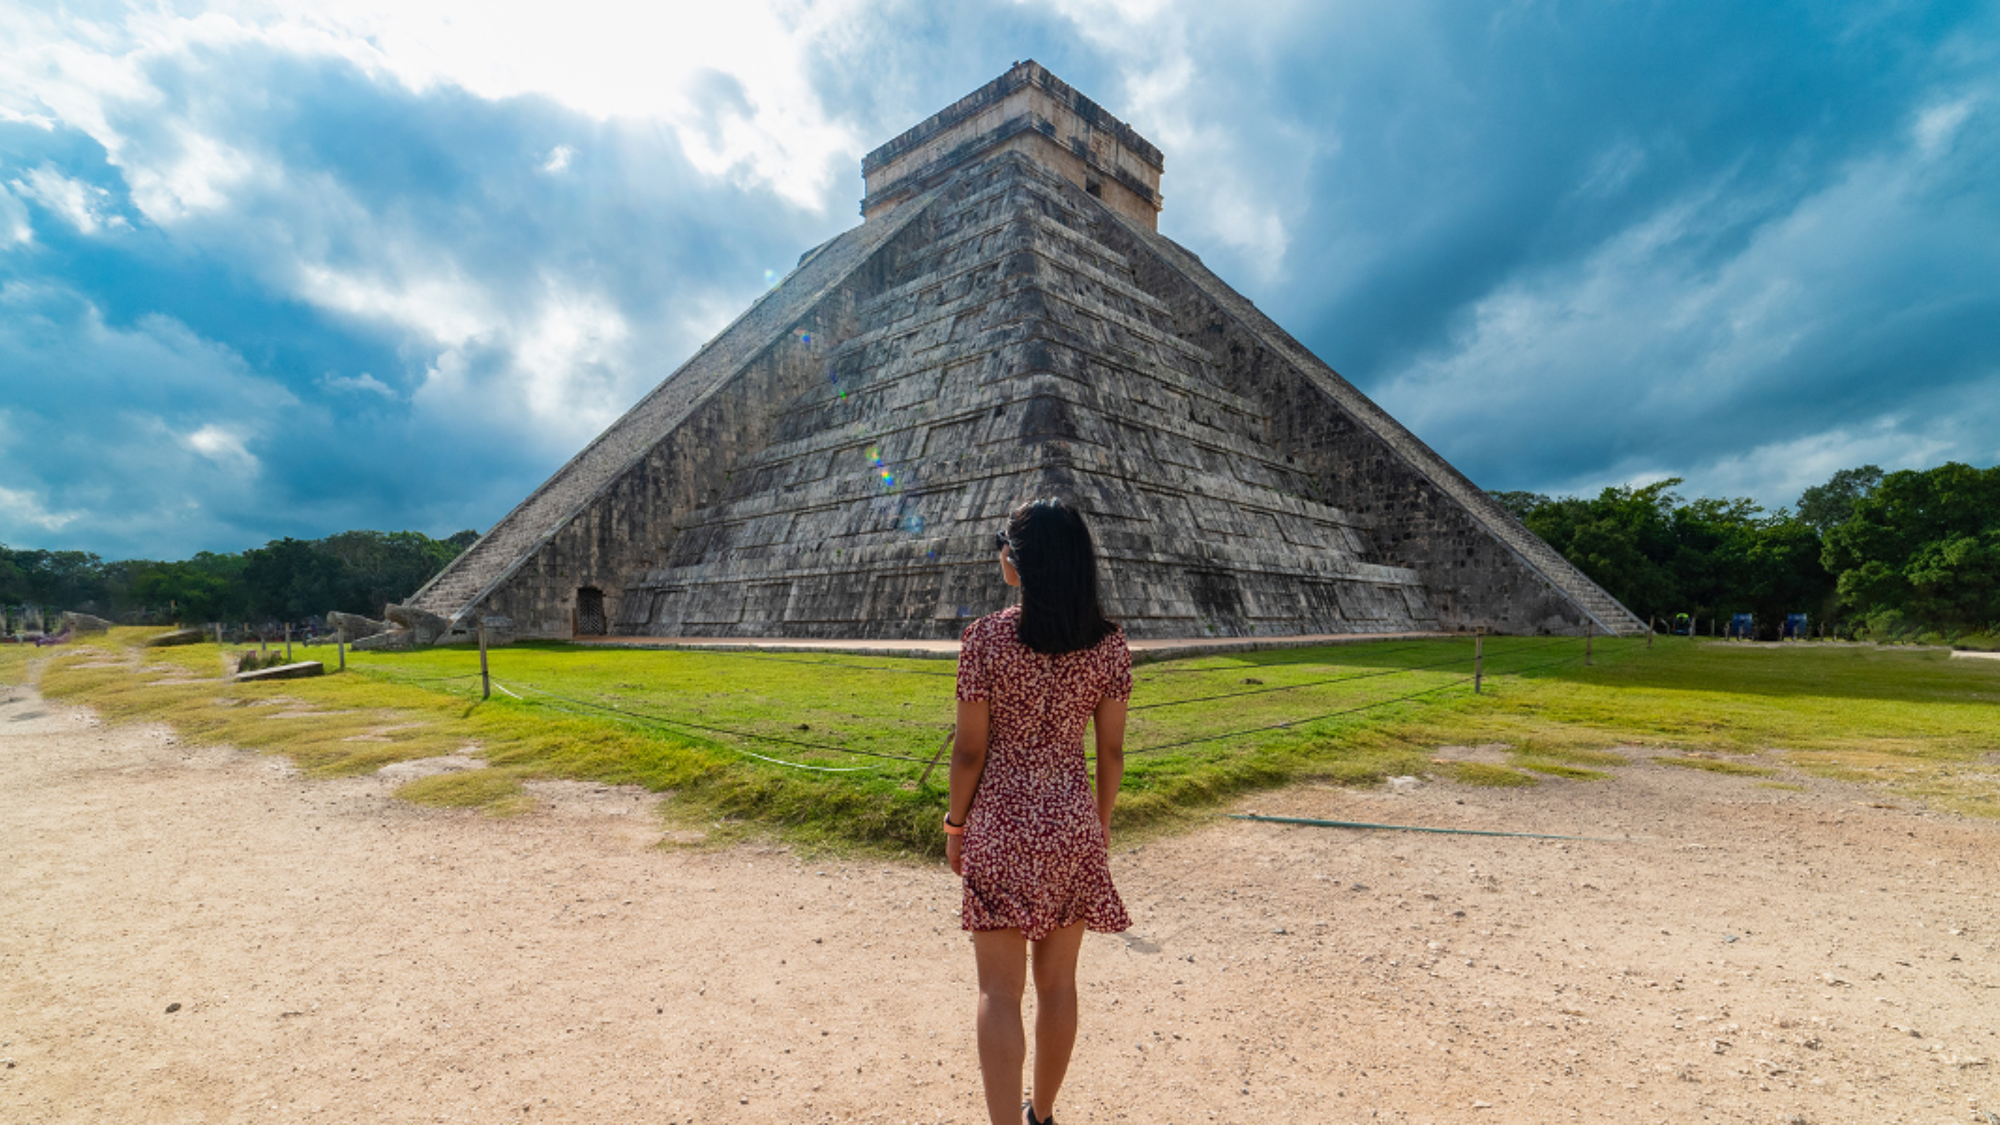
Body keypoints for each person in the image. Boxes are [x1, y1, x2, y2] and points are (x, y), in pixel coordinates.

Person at [944, 497, 1132, 1125]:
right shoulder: (1109, 647)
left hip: (998, 823)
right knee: (1058, 987)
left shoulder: (986, 639)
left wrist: (955, 825)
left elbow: (970, 752)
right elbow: (1110, 751)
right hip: (1071, 825)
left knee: (999, 992)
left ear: (1018, 564)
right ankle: (1043, 1114)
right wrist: (1098, 822)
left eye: (1006, 545)